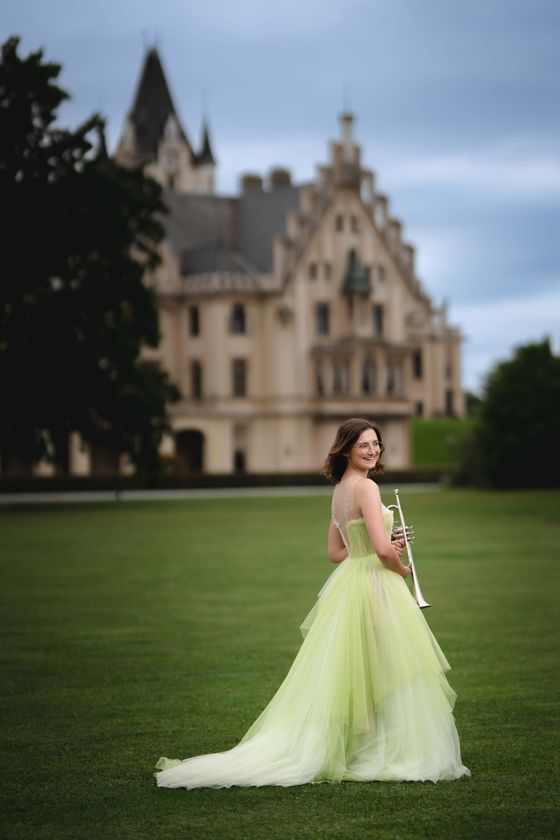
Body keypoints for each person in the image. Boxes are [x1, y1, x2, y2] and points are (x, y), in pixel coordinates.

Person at [155, 417, 470, 788]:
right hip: (376, 584)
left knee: (366, 667)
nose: (373, 450)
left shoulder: (340, 489)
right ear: (347, 450)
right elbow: (382, 550)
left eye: (376, 443)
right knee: (388, 665)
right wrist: (400, 566)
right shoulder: (367, 487)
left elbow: (336, 552)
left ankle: (364, 744)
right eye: (364, 445)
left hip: (353, 582)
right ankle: (382, 749)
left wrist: (375, 547)